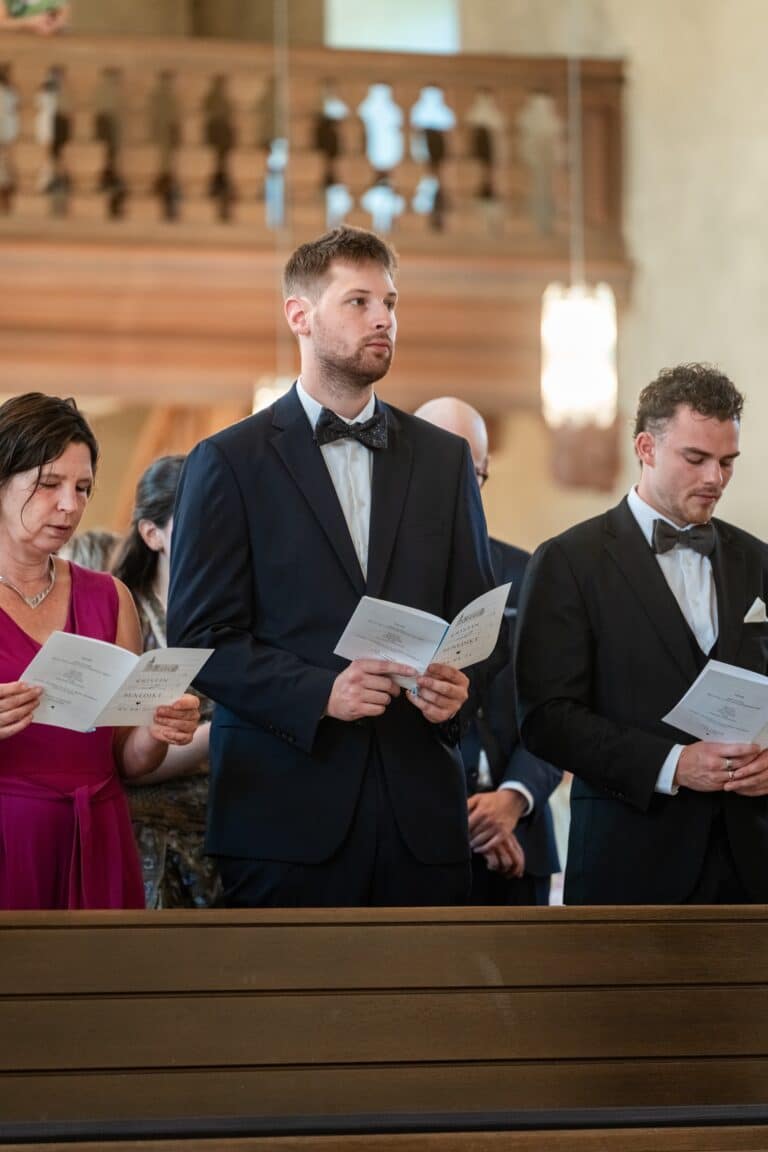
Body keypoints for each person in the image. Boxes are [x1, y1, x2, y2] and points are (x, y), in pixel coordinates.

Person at [168, 224, 495, 908]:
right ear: (299, 315)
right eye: (358, 302)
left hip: (424, 823)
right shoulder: (229, 461)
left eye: (391, 302)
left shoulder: (442, 461)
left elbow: (475, 625)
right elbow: (200, 641)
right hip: (283, 818)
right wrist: (322, 693)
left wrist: (457, 694)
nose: (383, 319)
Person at [515, 363, 768, 904]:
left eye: (727, 462)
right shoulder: (568, 561)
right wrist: (673, 765)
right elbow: (545, 720)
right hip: (629, 861)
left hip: (751, 863)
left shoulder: (758, 561)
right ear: (646, 448)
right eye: (696, 459)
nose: (714, 479)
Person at [0, 393, 199, 910]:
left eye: (83, 487)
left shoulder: (110, 598)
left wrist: (156, 733)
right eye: (49, 484)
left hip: (99, 836)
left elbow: (125, 760)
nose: (71, 505)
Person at [415, 397, 561, 905]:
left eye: (468, 474)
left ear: (484, 474)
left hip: (519, 843)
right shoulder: (380, 580)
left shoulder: (530, 574)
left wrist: (511, 802)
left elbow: (555, 711)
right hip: (411, 844)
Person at [112, 455, 218, 908]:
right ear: (152, 534)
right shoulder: (125, 614)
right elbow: (121, 756)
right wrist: (226, 734)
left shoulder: (236, 611)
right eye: (197, 518)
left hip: (229, 824)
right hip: (150, 836)